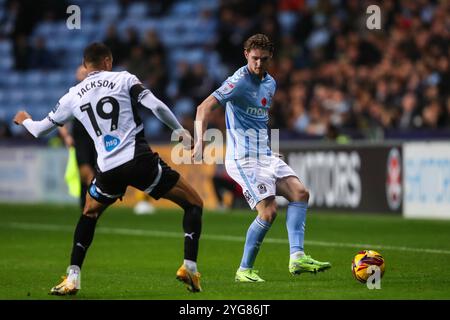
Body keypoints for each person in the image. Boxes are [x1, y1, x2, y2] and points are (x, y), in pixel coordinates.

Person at [13, 42, 203, 294]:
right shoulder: (124, 79)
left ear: (85, 65)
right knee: (194, 203)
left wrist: (25, 119)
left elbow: (38, 131)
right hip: (138, 160)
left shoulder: (73, 95)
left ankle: (73, 278)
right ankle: (189, 267)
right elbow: (156, 106)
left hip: (107, 168)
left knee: (89, 214)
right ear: (108, 61)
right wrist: (180, 132)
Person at [193, 34, 331, 282]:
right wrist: (199, 141)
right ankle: (244, 270)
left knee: (300, 193)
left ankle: (297, 257)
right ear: (246, 55)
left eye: (263, 59)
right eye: (254, 58)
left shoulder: (271, 83)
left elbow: (258, 120)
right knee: (268, 212)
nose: (258, 64)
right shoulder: (237, 82)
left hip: (264, 154)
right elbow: (203, 108)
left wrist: (267, 148)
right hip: (243, 159)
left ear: (271, 58)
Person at [58, 65, 96, 210]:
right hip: (80, 141)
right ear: (77, 75)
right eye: (81, 72)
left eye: (86, 72)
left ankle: (87, 207)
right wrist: (66, 136)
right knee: (88, 174)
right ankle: (87, 208)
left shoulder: (96, 93)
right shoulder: (72, 96)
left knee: (91, 177)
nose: (84, 74)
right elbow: (59, 121)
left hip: (95, 139)